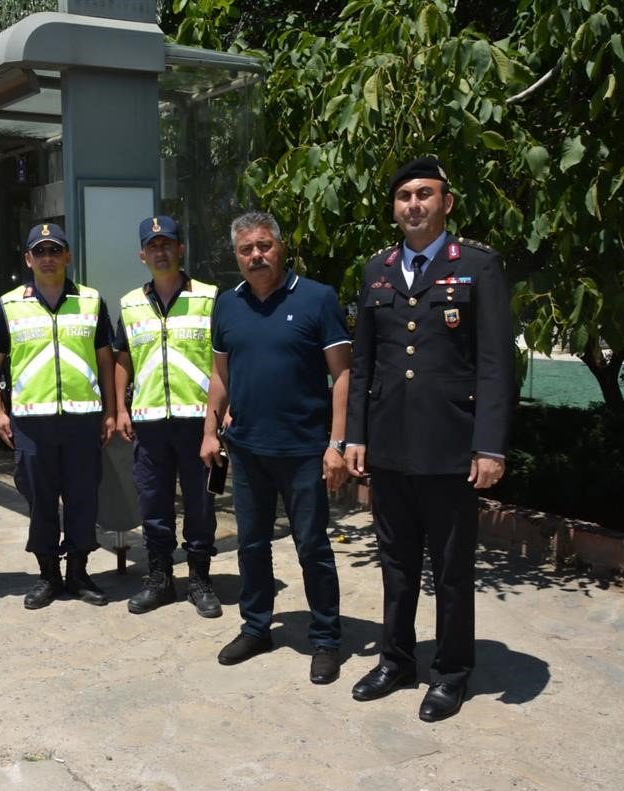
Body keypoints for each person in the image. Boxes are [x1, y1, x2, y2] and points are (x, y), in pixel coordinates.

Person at [344, 157, 514, 722]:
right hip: (390, 448)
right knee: (395, 563)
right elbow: (364, 365)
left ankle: (451, 671)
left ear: (447, 202)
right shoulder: (377, 271)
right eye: (403, 196)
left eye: (424, 194)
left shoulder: (477, 267)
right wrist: (355, 436)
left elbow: (494, 364)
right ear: (394, 208)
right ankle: (396, 660)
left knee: (450, 570)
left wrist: (489, 446)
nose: (413, 204)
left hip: (450, 449)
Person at [200, 211, 350, 686]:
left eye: (264, 245)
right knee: (251, 544)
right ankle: (256, 626)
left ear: (280, 247)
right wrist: (209, 430)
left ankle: (326, 638)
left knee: (312, 547)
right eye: (246, 249)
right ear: (236, 256)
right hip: (247, 450)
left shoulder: (317, 298)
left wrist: (337, 444)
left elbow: (343, 375)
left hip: (305, 450)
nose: (256, 256)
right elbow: (220, 374)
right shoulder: (227, 305)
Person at [0, 222, 116, 609]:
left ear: (67, 255)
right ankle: (48, 576)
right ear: (28, 259)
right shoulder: (9, 305)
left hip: (82, 420)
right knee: (40, 501)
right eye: (39, 252)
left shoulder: (91, 301)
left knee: (82, 499)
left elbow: (105, 361)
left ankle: (78, 572)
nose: (47, 258)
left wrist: (110, 410)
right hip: (32, 422)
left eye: (54, 250)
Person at [114, 215, 220, 618]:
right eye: (152, 245)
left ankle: (200, 580)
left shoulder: (209, 298)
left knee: (201, 505)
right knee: (153, 505)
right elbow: (122, 359)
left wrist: (221, 416)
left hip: (199, 423)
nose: (160, 251)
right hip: (150, 421)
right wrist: (120, 408)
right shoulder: (129, 304)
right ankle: (160, 578)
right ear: (143, 255)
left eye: (167, 243)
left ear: (180, 249)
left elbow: (222, 362)